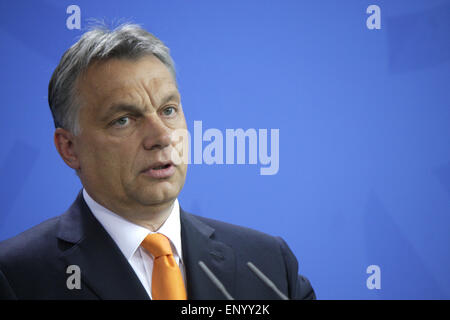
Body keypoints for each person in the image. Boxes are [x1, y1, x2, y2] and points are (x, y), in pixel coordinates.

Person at [0, 24, 315, 300]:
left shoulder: (269, 265)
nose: (162, 137)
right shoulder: (15, 276)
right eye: (123, 120)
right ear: (69, 148)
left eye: (168, 110)